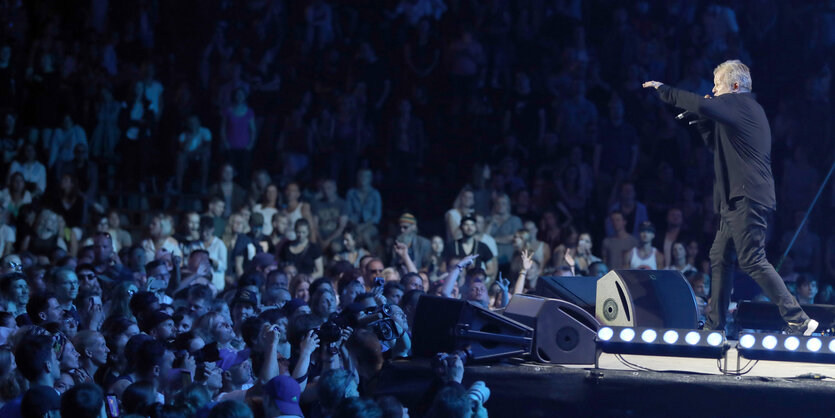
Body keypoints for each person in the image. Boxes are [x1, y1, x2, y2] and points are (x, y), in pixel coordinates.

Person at [644, 59, 817, 334]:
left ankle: (799, 319)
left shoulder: (742, 104)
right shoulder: (741, 111)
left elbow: (700, 103)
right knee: (720, 256)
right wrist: (702, 123)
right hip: (735, 198)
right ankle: (715, 326)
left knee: (752, 259)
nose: (712, 90)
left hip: (747, 196)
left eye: (717, 84)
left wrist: (665, 90)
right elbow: (717, 145)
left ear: (735, 86)